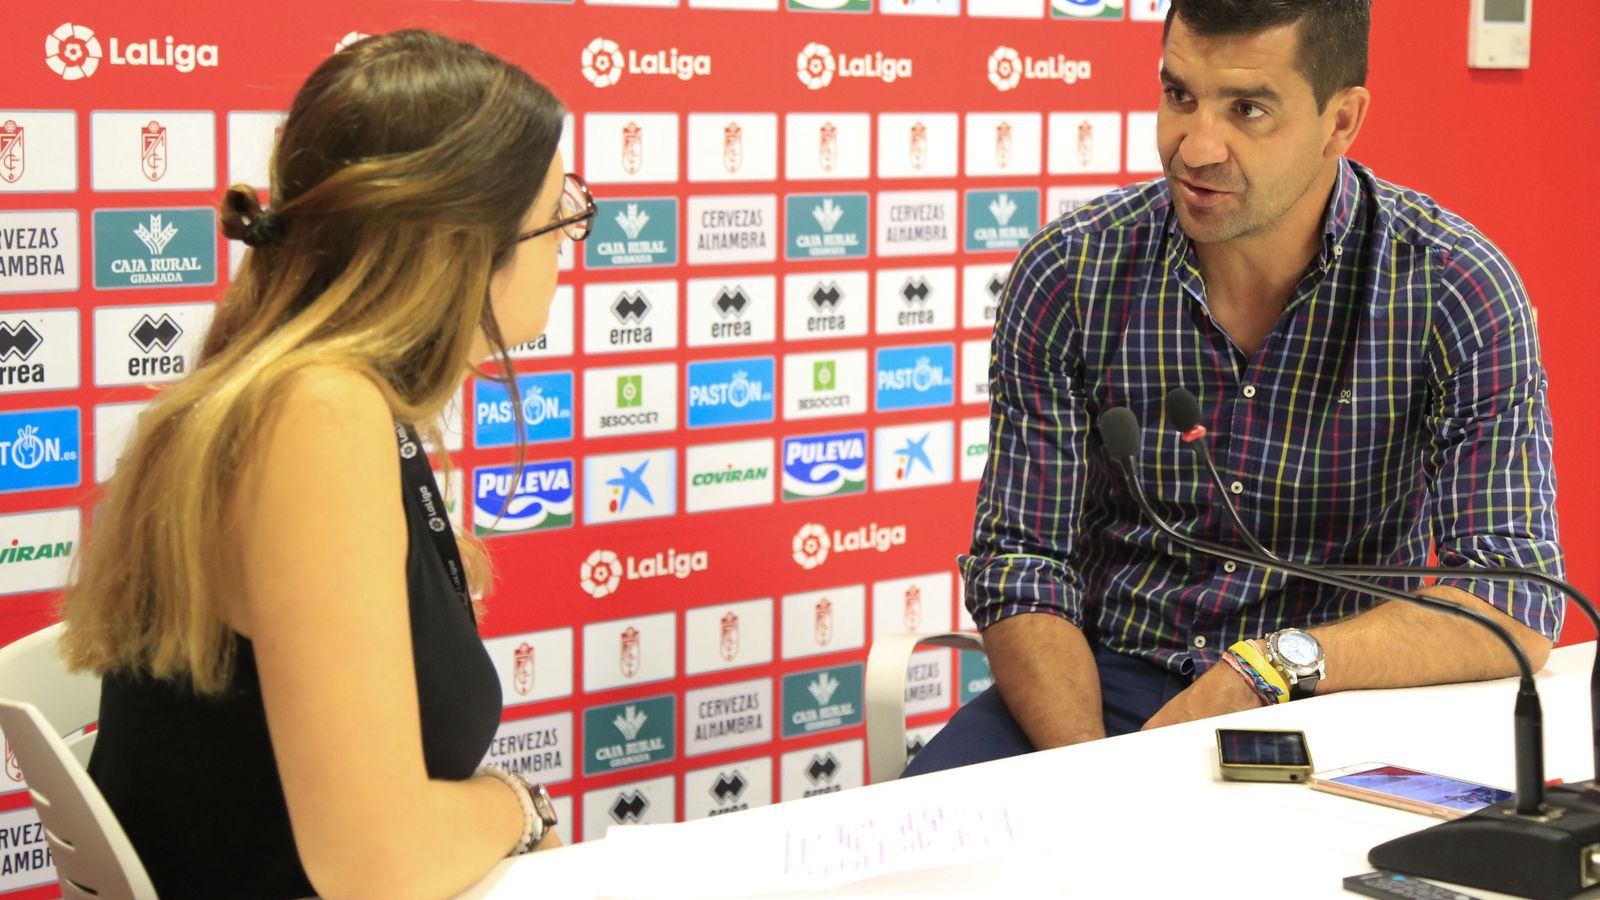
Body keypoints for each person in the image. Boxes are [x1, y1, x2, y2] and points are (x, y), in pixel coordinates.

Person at [904, 0, 1564, 777]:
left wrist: (1271, 667)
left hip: (1334, 696)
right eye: (1179, 95)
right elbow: (1023, 562)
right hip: (1102, 685)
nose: (1197, 146)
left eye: (1247, 109)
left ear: (1340, 121)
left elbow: (1512, 602)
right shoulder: (1070, 271)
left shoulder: (1453, 286)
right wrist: (1088, 778)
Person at [57, 31, 594, 898]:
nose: (570, 246)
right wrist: (517, 807)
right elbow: (377, 864)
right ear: (463, 243)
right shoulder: (320, 415)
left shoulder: (310, 392)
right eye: (561, 214)